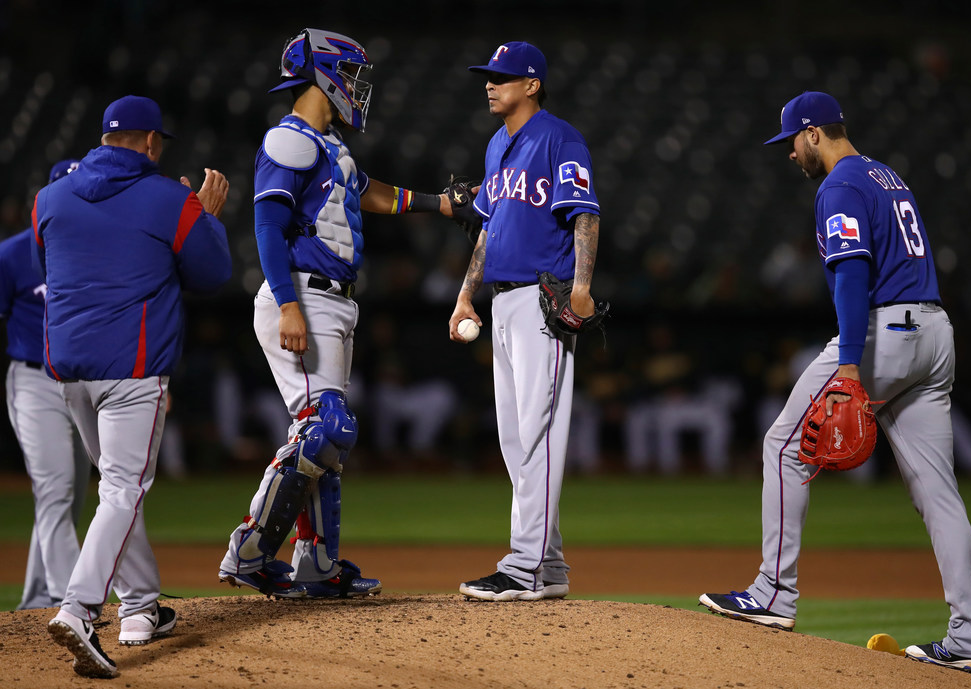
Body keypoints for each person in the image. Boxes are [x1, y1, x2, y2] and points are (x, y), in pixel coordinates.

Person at [698, 91, 971, 675]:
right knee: (939, 494)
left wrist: (852, 365)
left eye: (791, 142)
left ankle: (772, 594)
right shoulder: (886, 176)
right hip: (935, 333)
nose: (789, 155)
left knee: (783, 446)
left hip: (885, 334)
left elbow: (853, 276)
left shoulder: (838, 186)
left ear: (813, 133)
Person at [218, 28, 457, 599]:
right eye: (348, 75)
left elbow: (368, 192)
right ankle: (248, 552)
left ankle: (317, 568)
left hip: (334, 301)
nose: (356, 86)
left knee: (328, 440)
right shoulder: (289, 140)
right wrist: (289, 304)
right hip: (299, 293)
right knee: (326, 427)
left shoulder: (328, 146)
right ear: (322, 74)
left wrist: (439, 204)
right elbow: (267, 229)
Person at [34, 95, 231, 678]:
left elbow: (57, 262)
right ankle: (79, 610)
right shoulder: (169, 197)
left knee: (116, 488)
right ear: (150, 143)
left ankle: (141, 608)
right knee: (124, 488)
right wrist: (206, 217)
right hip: (133, 368)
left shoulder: (50, 196)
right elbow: (212, 275)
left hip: (70, 369)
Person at [449, 41, 601, 601]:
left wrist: (582, 288)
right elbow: (488, 229)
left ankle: (525, 565)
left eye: (503, 76)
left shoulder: (561, 138)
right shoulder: (496, 145)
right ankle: (550, 562)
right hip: (500, 302)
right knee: (516, 439)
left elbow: (585, 213)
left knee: (538, 431)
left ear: (532, 83)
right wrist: (466, 296)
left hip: (543, 300)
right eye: (488, 76)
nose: (490, 84)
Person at [1, 159, 92, 610]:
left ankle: (37, 599)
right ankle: (70, 599)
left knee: (68, 496)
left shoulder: (96, 253)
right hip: (34, 381)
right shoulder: (14, 254)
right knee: (56, 488)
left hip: (80, 383)